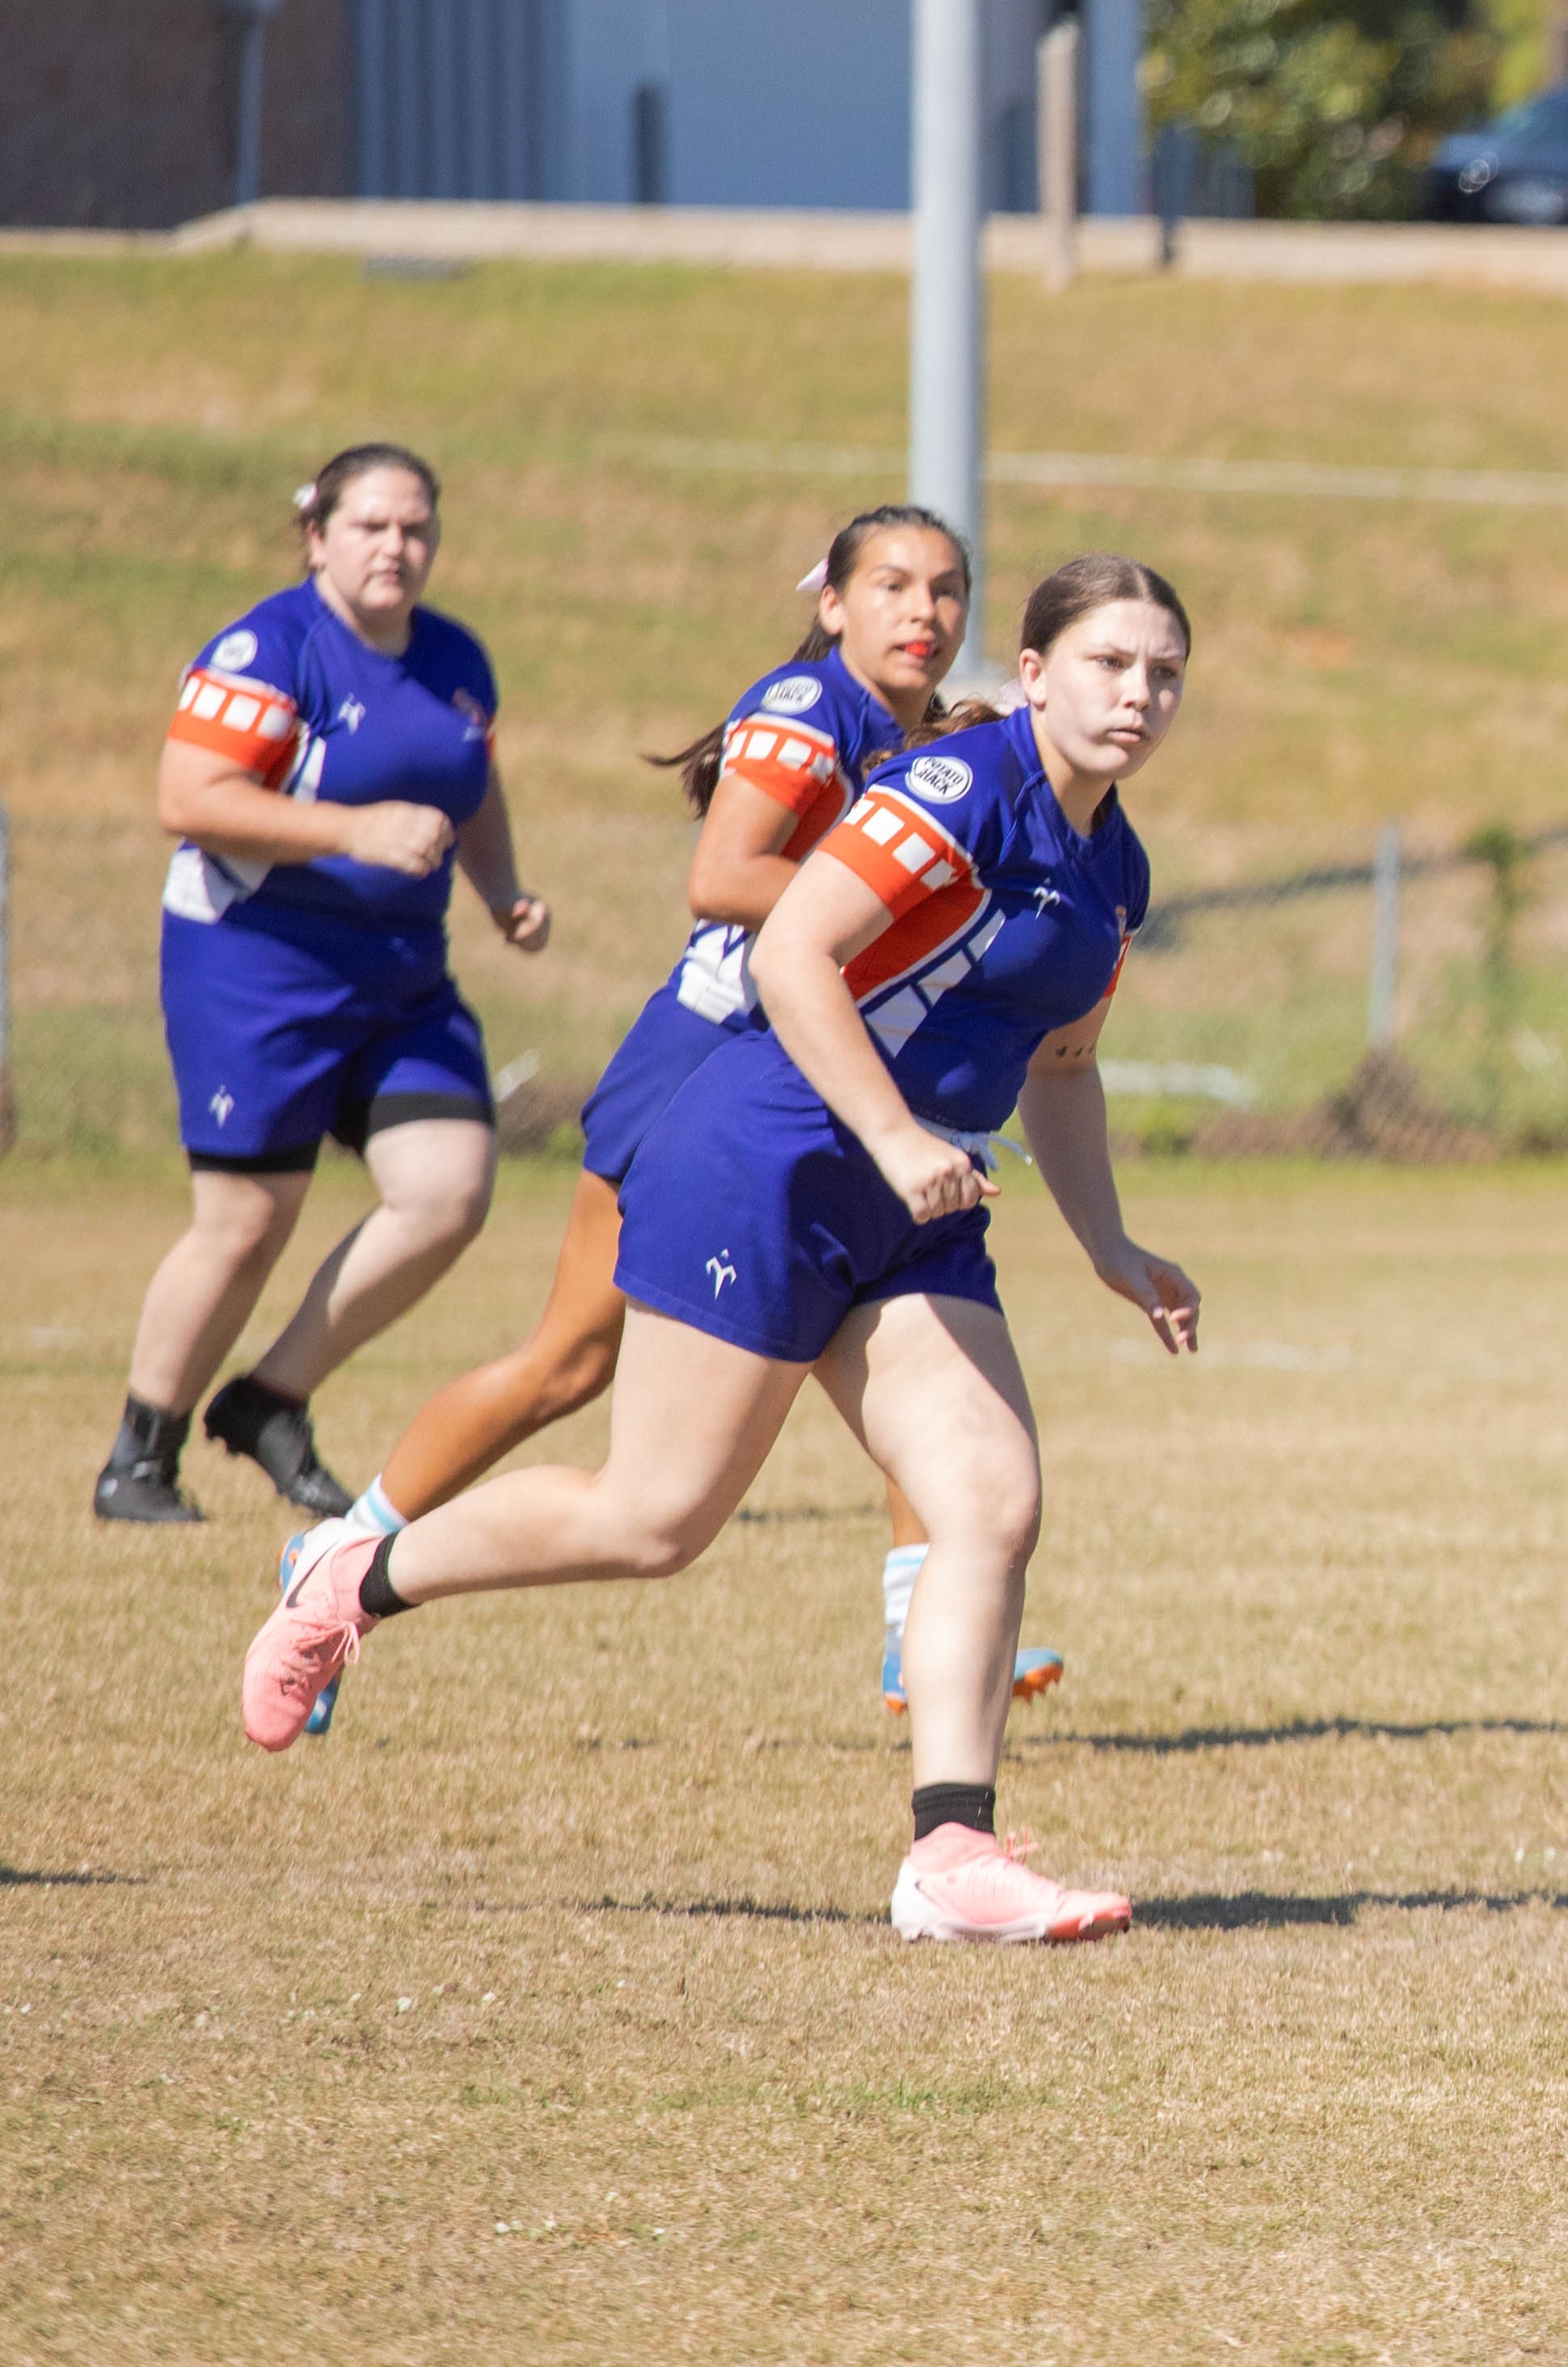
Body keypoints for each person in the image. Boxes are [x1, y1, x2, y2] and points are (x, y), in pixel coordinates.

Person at [237, 558, 1206, 1948]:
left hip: (910, 1196)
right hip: (772, 1149)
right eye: (1112, 664)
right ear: (1039, 673)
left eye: (1164, 672)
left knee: (989, 1502)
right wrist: (886, 1134)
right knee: (654, 1521)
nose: (1141, 694)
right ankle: (349, 1577)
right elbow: (791, 956)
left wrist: (1112, 1244)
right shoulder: (960, 790)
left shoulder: (1115, 865)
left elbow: (1064, 1068)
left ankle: (950, 1853)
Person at [332, 507, 1061, 1720]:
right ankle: (346, 1552)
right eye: (890, 586)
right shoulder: (804, 708)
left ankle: (911, 1619)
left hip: (821, 1085)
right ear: (832, 603)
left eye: (946, 590)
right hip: (706, 1071)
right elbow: (723, 878)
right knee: (570, 1361)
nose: (924, 613)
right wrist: (903, 906)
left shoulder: (929, 738)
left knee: (909, 1314)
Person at [99, 445, 550, 1525]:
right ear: (318, 537)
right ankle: (138, 1461)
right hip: (257, 964)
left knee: (448, 1191)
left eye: (416, 529)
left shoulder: (453, 657)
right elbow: (190, 796)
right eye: (371, 527)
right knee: (250, 1216)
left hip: (400, 975)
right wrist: (353, 830)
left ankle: (270, 1399)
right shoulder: (271, 649)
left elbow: (471, 788)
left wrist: (502, 893)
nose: (397, 547)